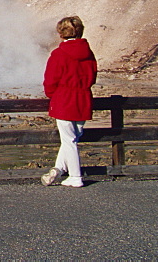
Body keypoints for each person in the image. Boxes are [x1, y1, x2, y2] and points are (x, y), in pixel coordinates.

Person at [41, 15, 98, 188]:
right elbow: (92, 77)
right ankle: (57, 170)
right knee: (72, 138)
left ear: (60, 34)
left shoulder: (59, 54)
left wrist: (52, 95)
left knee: (69, 141)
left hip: (64, 100)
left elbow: (50, 81)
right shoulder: (89, 53)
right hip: (83, 99)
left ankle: (75, 176)